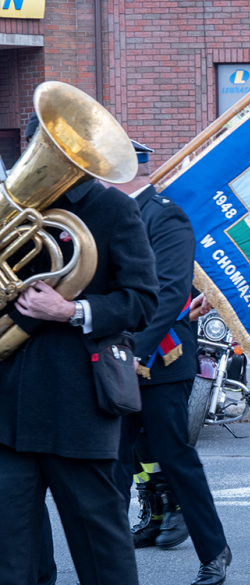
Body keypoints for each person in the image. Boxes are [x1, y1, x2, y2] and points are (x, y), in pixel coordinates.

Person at [0, 111, 158, 585]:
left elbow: (142, 301)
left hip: (78, 410)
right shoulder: (11, 212)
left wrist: (69, 311)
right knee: (11, 557)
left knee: (101, 553)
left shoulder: (114, 210)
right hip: (9, 410)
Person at [112, 141, 232, 584]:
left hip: (160, 361)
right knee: (114, 460)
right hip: (114, 359)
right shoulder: (106, 212)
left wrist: (134, 351)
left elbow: (168, 291)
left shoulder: (165, 215)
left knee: (175, 458)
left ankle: (214, 551)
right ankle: (112, 556)